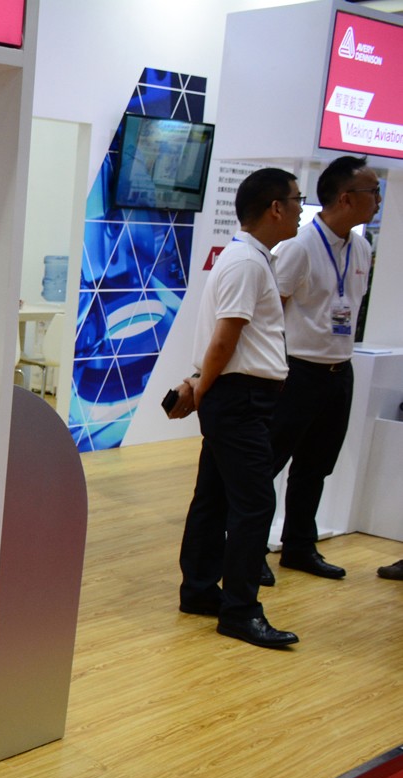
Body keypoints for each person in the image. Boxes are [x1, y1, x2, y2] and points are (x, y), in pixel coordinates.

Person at [174, 167, 302, 649]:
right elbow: (224, 339)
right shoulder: (247, 262)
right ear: (275, 207)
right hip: (240, 398)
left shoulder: (249, 258)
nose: (300, 209)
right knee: (255, 504)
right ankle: (241, 611)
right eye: (297, 200)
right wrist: (201, 389)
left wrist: (203, 388)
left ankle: (199, 590)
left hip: (237, 396)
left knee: (214, 498)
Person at [257, 156, 379, 584]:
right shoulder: (299, 247)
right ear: (345, 198)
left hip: (338, 371)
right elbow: (270, 314)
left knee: (316, 465)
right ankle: (250, 550)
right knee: (268, 464)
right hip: (297, 371)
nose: (378, 199)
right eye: (373, 191)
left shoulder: (362, 248)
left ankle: (298, 546)